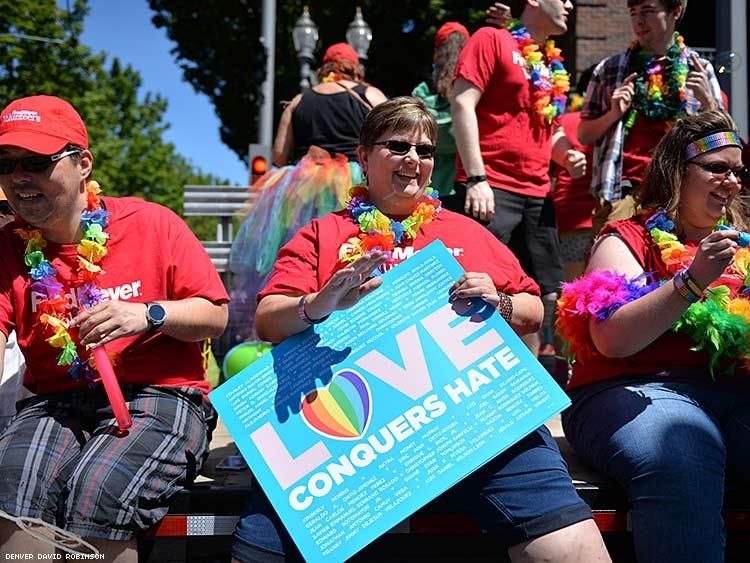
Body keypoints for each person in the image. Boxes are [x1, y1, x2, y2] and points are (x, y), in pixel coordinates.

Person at [230, 97, 610, 563]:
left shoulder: (466, 231)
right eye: (398, 146)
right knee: (262, 548)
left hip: (473, 420)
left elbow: (532, 308)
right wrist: (320, 302)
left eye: (426, 151)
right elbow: (269, 318)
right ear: (364, 157)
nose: (414, 159)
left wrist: (502, 301)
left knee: (570, 543)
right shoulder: (322, 234)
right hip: (353, 437)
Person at [0, 95, 229, 561]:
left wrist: (147, 314)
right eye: (5, 164)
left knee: (101, 487)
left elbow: (215, 315)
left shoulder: (152, 224)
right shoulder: (7, 246)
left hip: (161, 395)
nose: (18, 178)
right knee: (11, 483)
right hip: (55, 401)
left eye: (36, 162)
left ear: (82, 163)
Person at [557, 110, 750, 563]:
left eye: (738, 171)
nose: (732, 181)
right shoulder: (628, 240)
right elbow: (611, 340)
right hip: (633, 392)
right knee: (679, 451)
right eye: (717, 168)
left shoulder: (743, 249)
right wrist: (692, 280)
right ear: (677, 172)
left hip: (731, 394)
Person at [451, 0, 586, 356]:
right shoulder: (491, 38)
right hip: (492, 186)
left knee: (547, 292)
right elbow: (462, 102)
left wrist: (566, 154)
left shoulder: (546, 61)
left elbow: (550, 128)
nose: (570, 5)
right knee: (483, 286)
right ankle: (481, 372)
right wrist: (477, 177)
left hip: (538, 194)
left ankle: (545, 385)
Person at [229, 42, 387, 343]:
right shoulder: (369, 95)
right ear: (355, 67)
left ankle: (294, 320)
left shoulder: (300, 100)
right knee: (351, 249)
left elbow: (278, 154)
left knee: (300, 257)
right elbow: (391, 134)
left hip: (301, 189)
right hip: (352, 180)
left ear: (324, 69)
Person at [579, 0, 724, 236]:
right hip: (623, 192)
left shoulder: (700, 68)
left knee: (678, 267)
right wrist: (615, 113)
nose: (638, 20)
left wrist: (708, 102)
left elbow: (725, 140)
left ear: (675, 12)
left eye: (647, 11)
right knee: (612, 266)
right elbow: (584, 134)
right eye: (633, 12)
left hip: (680, 193)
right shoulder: (610, 68)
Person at [412, 21, 470, 198]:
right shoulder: (472, 92)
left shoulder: (421, 91)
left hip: (429, 188)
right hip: (465, 184)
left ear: (437, 54)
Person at [551, 66, 597, 281]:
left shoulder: (565, 122)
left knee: (570, 290)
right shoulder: (612, 124)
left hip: (567, 219)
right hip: (602, 218)